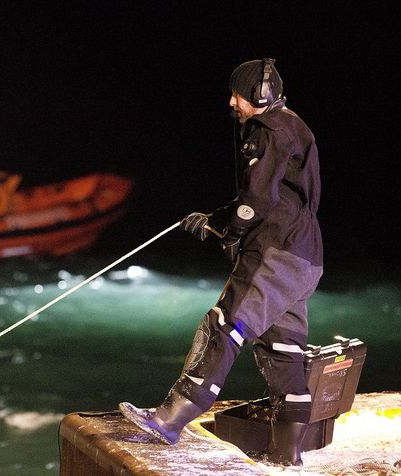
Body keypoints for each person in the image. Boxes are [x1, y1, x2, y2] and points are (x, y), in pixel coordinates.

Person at [119, 58, 323, 466]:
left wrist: (225, 229)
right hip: (305, 257)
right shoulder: (294, 125)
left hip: (275, 253)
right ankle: (287, 454)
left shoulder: (268, 131)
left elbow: (256, 205)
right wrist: (213, 221)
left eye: (239, 94)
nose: (231, 101)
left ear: (261, 94)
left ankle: (171, 420)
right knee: (282, 346)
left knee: (224, 325)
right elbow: (272, 199)